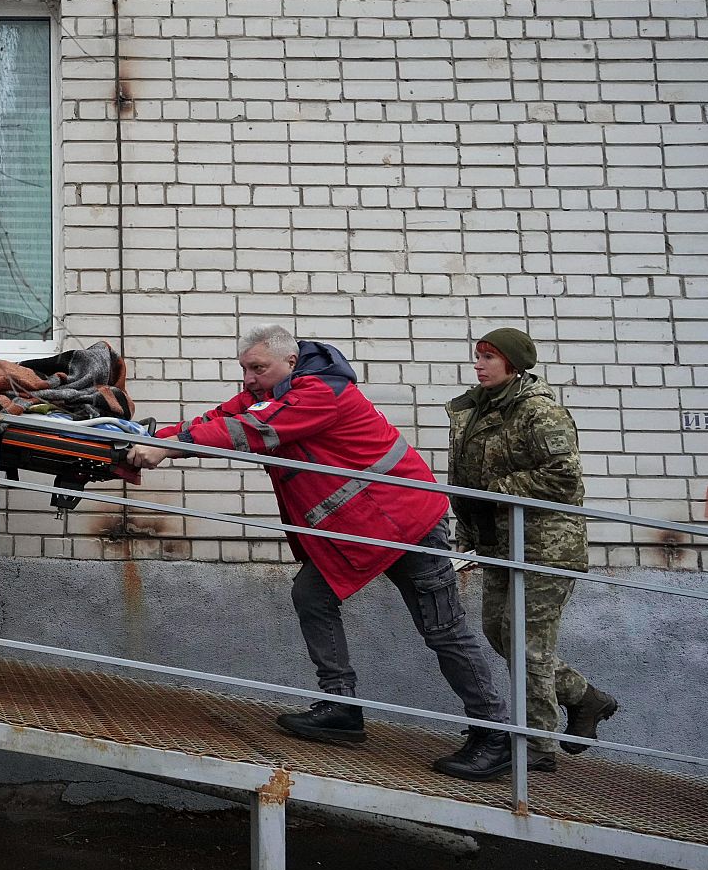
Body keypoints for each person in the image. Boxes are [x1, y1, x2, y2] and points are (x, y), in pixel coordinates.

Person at [128, 324, 515, 781]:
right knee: (312, 596)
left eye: (258, 368)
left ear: (289, 363)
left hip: (407, 526)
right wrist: (149, 438)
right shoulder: (278, 391)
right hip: (361, 531)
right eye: (245, 370)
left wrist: (169, 449)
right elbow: (218, 419)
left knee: (443, 631)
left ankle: (495, 735)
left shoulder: (320, 394)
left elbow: (252, 430)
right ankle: (342, 707)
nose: (249, 379)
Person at [446, 327, 618, 770]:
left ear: (514, 363)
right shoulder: (477, 408)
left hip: (546, 546)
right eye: (478, 356)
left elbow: (564, 477)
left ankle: (536, 745)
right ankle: (584, 697)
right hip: (501, 543)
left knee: (526, 642)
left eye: (489, 357)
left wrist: (496, 490)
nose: (479, 364)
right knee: (499, 633)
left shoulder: (539, 411)